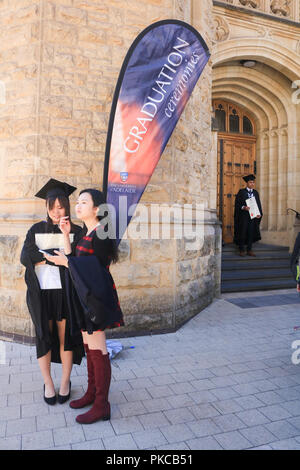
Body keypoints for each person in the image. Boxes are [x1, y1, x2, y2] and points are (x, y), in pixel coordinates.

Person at [44, 188, 124, 424]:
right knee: (89, 348)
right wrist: (67, 238)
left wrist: (66, 261)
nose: (77, 205)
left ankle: (102, 405)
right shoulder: (84, 232)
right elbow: (77, 263)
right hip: (84, 297)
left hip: (96, 298)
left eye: (83, 202)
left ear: (97, 209)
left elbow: (95, 271)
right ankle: (91, 393)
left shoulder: (102, 234)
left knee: (99, 350)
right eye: (77, 202)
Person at [20, 179, 84, 405]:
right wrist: (55, 258)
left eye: (61, 206)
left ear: (67, 206)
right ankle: (48, 383)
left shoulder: (76, 231)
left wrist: (47, 257)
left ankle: (65, 382)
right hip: (41, 294)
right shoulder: (36, 229)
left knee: (65, 338)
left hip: (65, 294)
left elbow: (77, 261)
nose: (57, 211)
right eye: (53, 206)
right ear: (47, 207)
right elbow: (25, 257)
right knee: (43, 338)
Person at [233, 174, 263, 256]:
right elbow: (237, 204)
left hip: (252, 217)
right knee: (243, 232)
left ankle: (249, 249)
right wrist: (244, 207)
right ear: (247, 183)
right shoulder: (242, 192)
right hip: (244, 216)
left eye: (253, 182)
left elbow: (258, 204)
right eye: (250, 182)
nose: (252, 184)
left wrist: (259, 213)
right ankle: (241, 250)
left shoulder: (255, 193)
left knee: (251, 232)